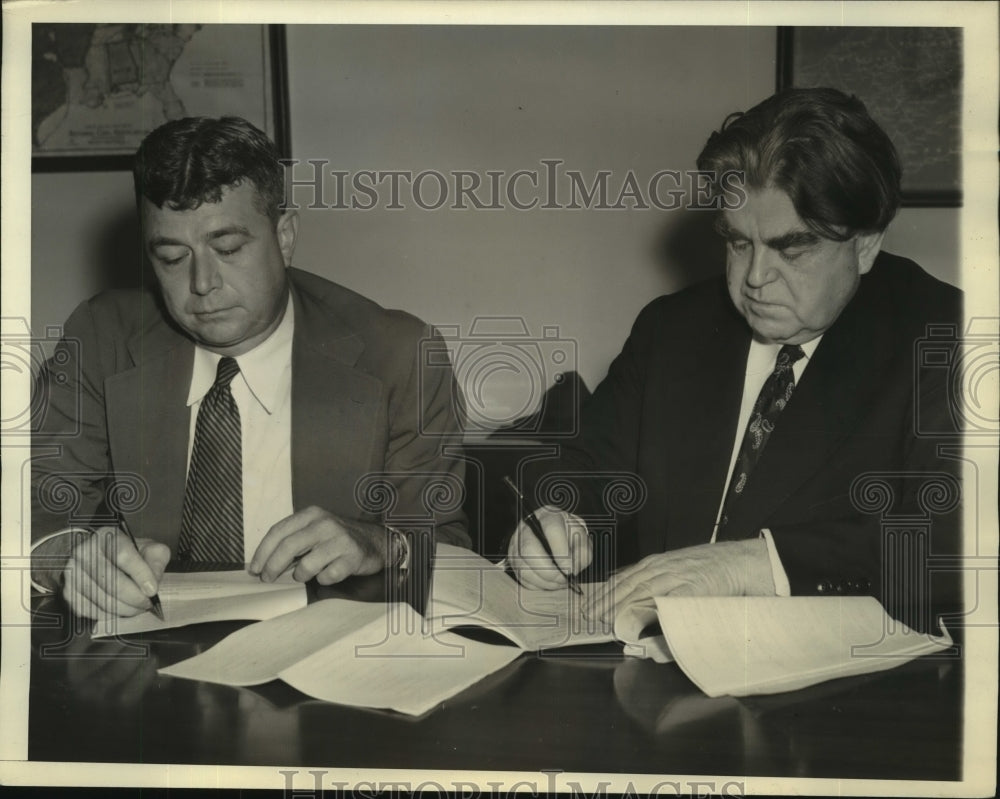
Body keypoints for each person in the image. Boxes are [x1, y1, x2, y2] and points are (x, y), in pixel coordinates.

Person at [506, 88, 962, 630]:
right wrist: (554, 523)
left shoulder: (947, 335)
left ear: (865, 244)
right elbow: (584, 470)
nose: (754, 278)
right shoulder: (670, 329)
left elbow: (953, 536)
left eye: (791, 248)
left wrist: (751, 565)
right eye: (739, 243)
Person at [31, 116, 469, 619]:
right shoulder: (101, 335)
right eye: (173, 257)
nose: (202, 283)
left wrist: (378, 543)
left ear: (284, 237)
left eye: (228, 249)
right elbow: (34, 502)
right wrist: (71, 560)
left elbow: (446, 542)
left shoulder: (399, 353)